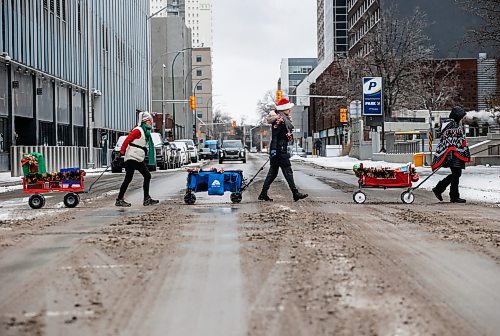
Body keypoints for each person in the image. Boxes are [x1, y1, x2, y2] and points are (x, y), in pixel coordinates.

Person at [258, 98, 308, 202]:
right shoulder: (279, 121)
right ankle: (295, 193)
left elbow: (281, 136)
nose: (290, 110)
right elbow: (275, 136)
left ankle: (263, 193)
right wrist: (274, 150)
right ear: (284, 109)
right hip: (279, 150)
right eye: (288, 108)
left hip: (279, 149)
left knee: (273, 173)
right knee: (287, 171)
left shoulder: (284, 119)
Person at [115, 112, 159, 207]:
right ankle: (119, 199)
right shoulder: (138, 130)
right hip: (132, 157)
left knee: (147, 176)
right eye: (150, 121)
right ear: (145, 121)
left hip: (138, 158)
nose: (151, 123)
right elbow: (127, 140)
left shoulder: (146, 132)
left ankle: (146, 198)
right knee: (128, 178)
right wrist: (122, 151)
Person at [431, 106, 471, 203]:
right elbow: (451, 141)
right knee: (456, 173)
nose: (461, 119)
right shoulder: (452, 125)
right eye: (460, 117)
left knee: (456, 174)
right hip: (453, 153)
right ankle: (445, 192)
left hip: (454, 152)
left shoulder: (450, 124)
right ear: (456, 116)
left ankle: (446, 192)